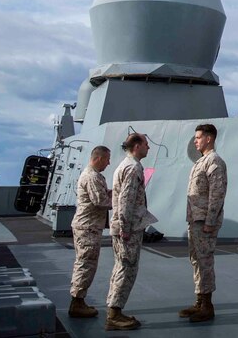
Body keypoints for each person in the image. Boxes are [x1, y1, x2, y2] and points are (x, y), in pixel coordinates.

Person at [178, 123, 228, 323]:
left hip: (204, 222)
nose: (195, 140)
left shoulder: (214, 161)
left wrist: (210, 222)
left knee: (205, 262)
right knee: (197, 261)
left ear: (209, 138)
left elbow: (217, 195)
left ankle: (207, 306)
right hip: (195, 220)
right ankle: (199, 301)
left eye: (198, 137)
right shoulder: (201, 161)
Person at [106, 133, 154, 331]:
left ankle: (114, 310)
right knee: (126, 270)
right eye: (146, 144)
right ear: (136, 146)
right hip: (129, 228)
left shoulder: (124, 165)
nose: (148, 148)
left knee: (120, 268)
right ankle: (114, 315)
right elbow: (126, 200)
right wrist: (125, 229)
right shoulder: (133, 167)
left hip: (124, 226)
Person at [69, 145, 111, 319]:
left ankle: (79, 300)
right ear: (99, 158)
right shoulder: (92, 176)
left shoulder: (93, 176)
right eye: (107, 160)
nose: (108, 164)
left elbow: (100, 196)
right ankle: (77, 302)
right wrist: (124, 196)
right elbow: (101, 201)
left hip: (89, 226)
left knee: (85, 263)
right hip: (88, 227)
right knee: (85, 264)